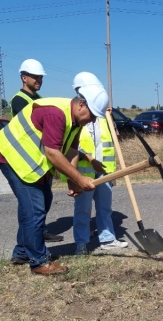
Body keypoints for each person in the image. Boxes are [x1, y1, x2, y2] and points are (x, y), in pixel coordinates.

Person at [0, 84, 109, 275]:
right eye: (92, 115)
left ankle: (22, 252)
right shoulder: (56, 113)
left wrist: (72, 181)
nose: (92, 120)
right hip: (12, 157)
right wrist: (80, 178)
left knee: (40, 203)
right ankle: (39, 262)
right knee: (35, 208)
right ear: (82, 105)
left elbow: (72, 151)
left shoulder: (75, 121)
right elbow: (52, 152)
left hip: (30, 163)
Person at [69, 72, 128, 255]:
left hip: (104, 170)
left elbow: (114, 138)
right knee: (82, 209)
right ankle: (81, 243)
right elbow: (71, 146)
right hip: (85, 171)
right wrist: (89, 160)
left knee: (104, 207)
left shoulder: (102, 112)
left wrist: (112, 120)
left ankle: (107, 239)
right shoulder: (77, 114)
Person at [9, 59, 63, 242]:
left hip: (41, 157)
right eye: (35, 77)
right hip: (26, 159)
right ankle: (29, 241)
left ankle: (39, 231)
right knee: (31, 204)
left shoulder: (40, 99)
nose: (39, 80)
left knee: (45, 198)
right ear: (24, 77)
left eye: (41, 77)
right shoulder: (19, 100)